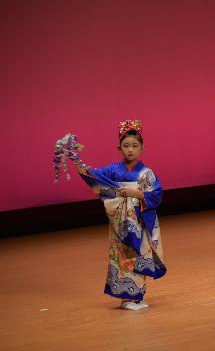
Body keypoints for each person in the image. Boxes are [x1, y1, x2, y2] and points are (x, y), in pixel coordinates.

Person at [76, 119, 166, 309]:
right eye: (126, 146)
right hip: (120, 223)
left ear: (142, 148)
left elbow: (157, 196)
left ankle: (136, 296)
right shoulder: (113, 170)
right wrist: (76, 160)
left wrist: (136, 193)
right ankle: (127, 297)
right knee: (122, 256)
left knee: (139, 255)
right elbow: (94, 176)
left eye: (135, 146)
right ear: (119, 147)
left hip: (139, 220)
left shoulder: (146, 173)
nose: (130, 150)